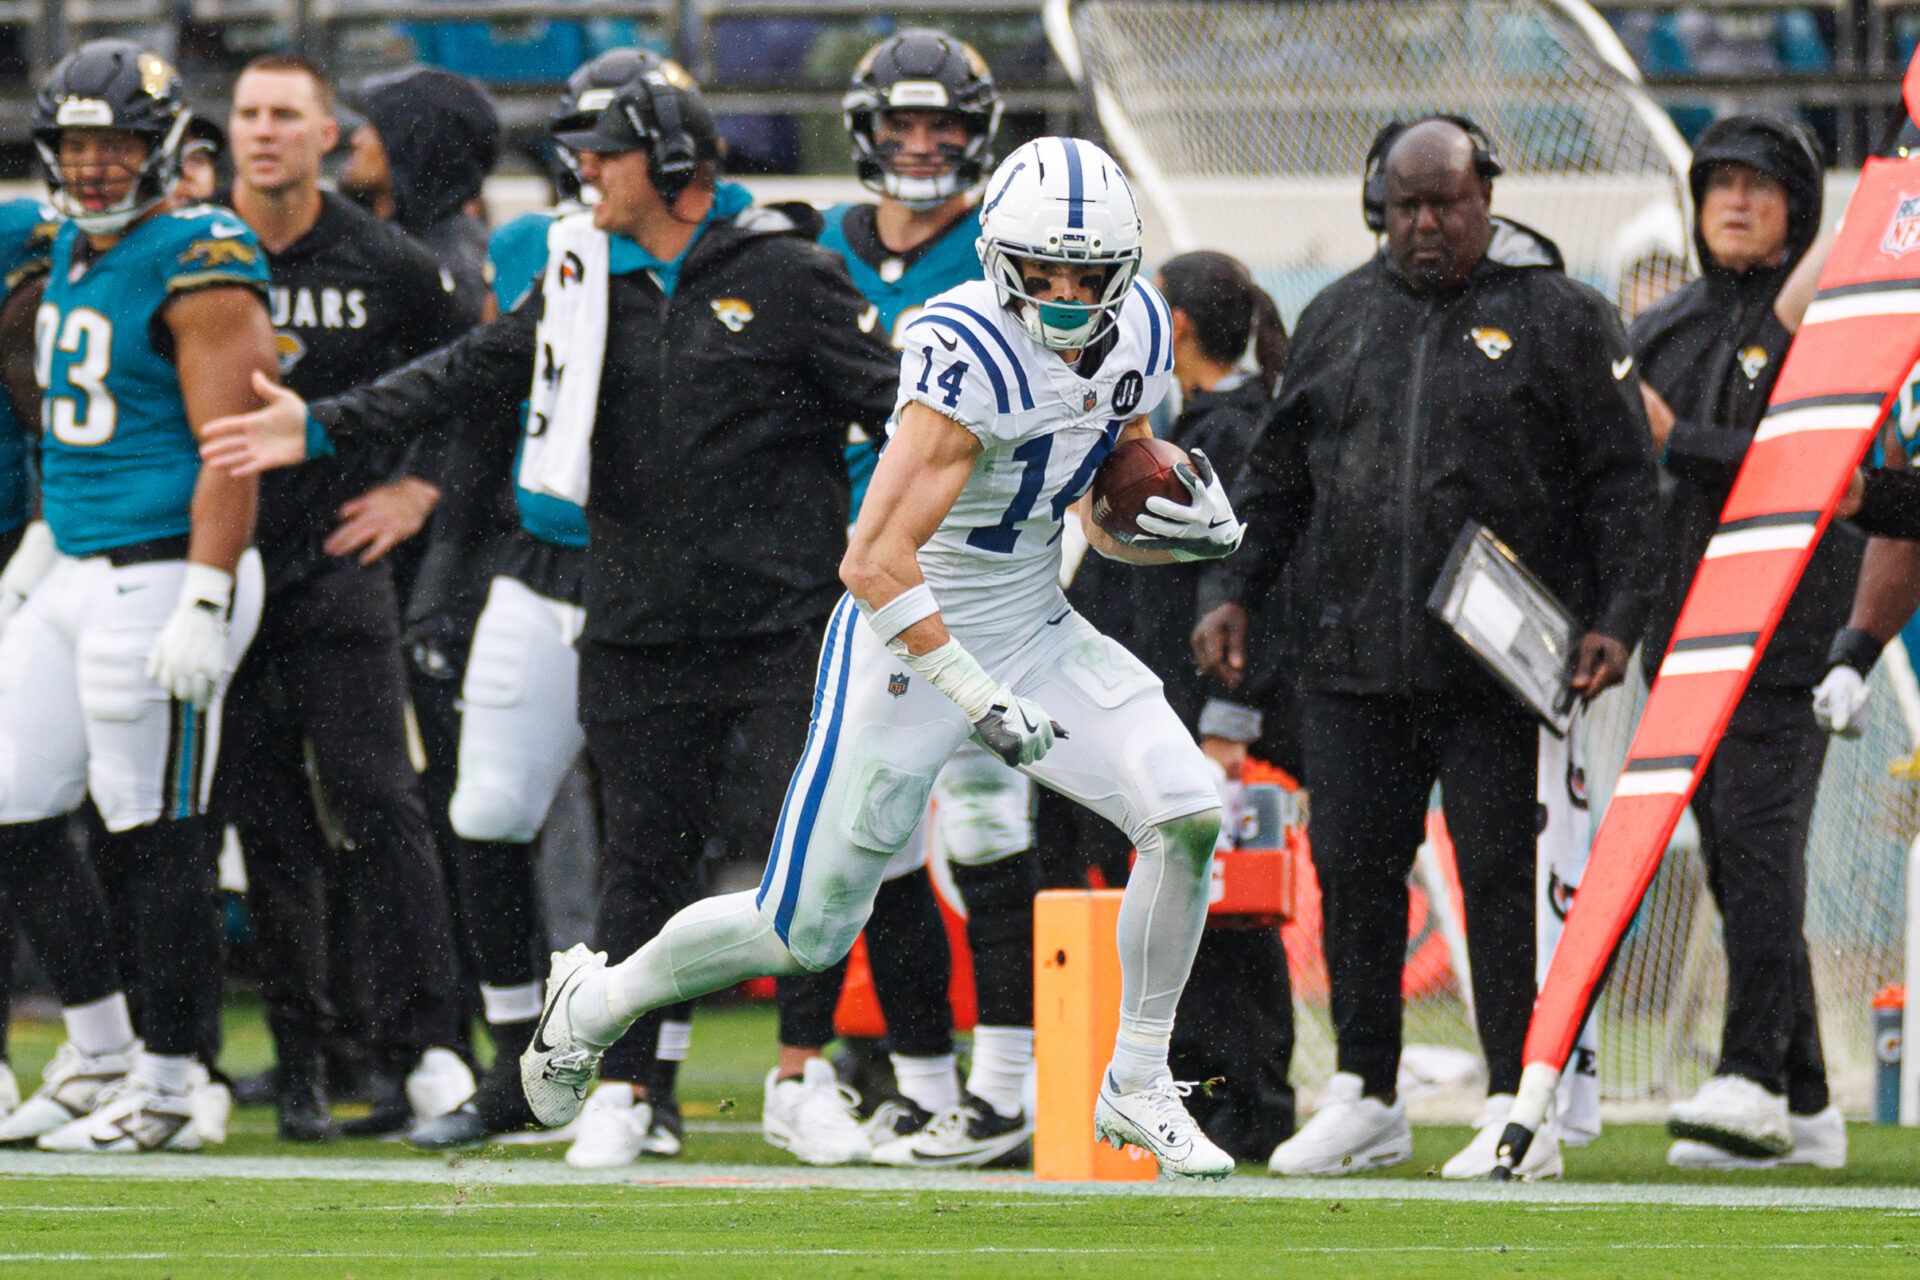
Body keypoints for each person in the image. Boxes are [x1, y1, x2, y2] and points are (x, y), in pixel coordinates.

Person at [495, 135, 1247, 1181]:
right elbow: (873, 560)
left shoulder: (1143, 333)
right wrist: (975, 695)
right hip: (909, 636)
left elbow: (1089, 504)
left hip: (1033, 620)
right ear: (1001, 262)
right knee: (799, 929)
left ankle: (1137, 1076)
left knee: (1187, 811)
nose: (1069, 298)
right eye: (1045, 274)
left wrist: (1180, 530)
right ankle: (598, 999)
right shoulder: (966, 348)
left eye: (1089, 277)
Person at [197, 67, 903, 1164]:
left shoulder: (789, 272)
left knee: (801, 859)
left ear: (673, 163)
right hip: (633, 616)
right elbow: (473, 367)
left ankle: (800, 1073)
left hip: (783, 618)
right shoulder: (578, 268)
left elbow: (903, 414)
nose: (585, 170)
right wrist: (325, 424)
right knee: (640, 861)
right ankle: (624, 1084)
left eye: (607, 152)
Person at [1193, 118, 1657, 1179]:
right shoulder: (1336, 314)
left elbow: (1625, 483)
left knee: (1498, 876)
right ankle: (1365, 1093)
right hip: (1347, 656)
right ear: (1380, 208)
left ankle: (1515, 1103)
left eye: (1446, 202)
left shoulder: (1559, 314)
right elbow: (1274, 480)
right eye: (1406, 206)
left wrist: (1617, 619)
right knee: (1353, 871)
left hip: (1496, 665)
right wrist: (1231, 591)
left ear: (1485, 196)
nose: (1426, 224)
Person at [405, 45, 693, 1156]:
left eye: (617, 143)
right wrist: (448, 575)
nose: (595, 162)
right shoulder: (537, 247)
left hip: (661, 576)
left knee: (651, 840)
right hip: (540, 561)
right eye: (585, 141)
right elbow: (488, 407)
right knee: (486, 811)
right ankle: (519, 1061)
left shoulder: (732, 252)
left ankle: (647, 1079)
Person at [0, 39, 275, 1153]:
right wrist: (39, 547)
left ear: (161, 148)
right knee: (14, 806)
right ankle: (102, 1050)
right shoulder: (66, 243)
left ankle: (172, 1083)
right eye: (75, 145)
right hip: (76, 563)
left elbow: (234, 444)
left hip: (165, 567)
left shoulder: (202, 252)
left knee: (157, 837)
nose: (94, 165)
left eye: (115, 143)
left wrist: (205, 595)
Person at [789, 26, 1041, 1172]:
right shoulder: (816, 253)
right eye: (905, 123)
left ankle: (1006, 1086)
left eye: (945, 125)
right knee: (879, 831)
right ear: (868, 131)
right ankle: (925, 1083)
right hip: (855, 574)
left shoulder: (1008, 257)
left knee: (988, 819)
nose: (925, 144)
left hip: (978, 571)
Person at [213, 52, 476, 1143]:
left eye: (287, 113)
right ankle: (302, 1062)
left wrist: (420, 488)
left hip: (336, 563)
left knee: (381, 801)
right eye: (248, 112)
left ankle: (430, 1049)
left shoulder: (388, 261)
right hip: (218, 568)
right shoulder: (193, 248)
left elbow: (478, 378)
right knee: (264, 818)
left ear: (328, 134)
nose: (264, 130)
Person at [1630, 114, 1850, 1171]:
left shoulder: (1827, 325)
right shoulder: (1663, 327)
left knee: (1759, 851)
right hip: (1682, 640)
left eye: (1761, 186)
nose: (1737, 200)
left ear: (1798, 210)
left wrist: (1681, 441)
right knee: (1734, 858)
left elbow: (1809, 466)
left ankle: (1751, 1078)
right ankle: (1807, 1099)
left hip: (1788, 632)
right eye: (1720, 182)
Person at [1073, 249, 1297, 1161]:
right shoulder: (1189, 424)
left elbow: (1247, 581)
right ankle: (1207, 1086)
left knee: (1225, 908)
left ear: (1178, 326)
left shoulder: (1232, 433)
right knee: (1192, 895)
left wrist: (1228, 721)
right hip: (1165, 705)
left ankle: (1250, 1095)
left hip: (1207, 713)